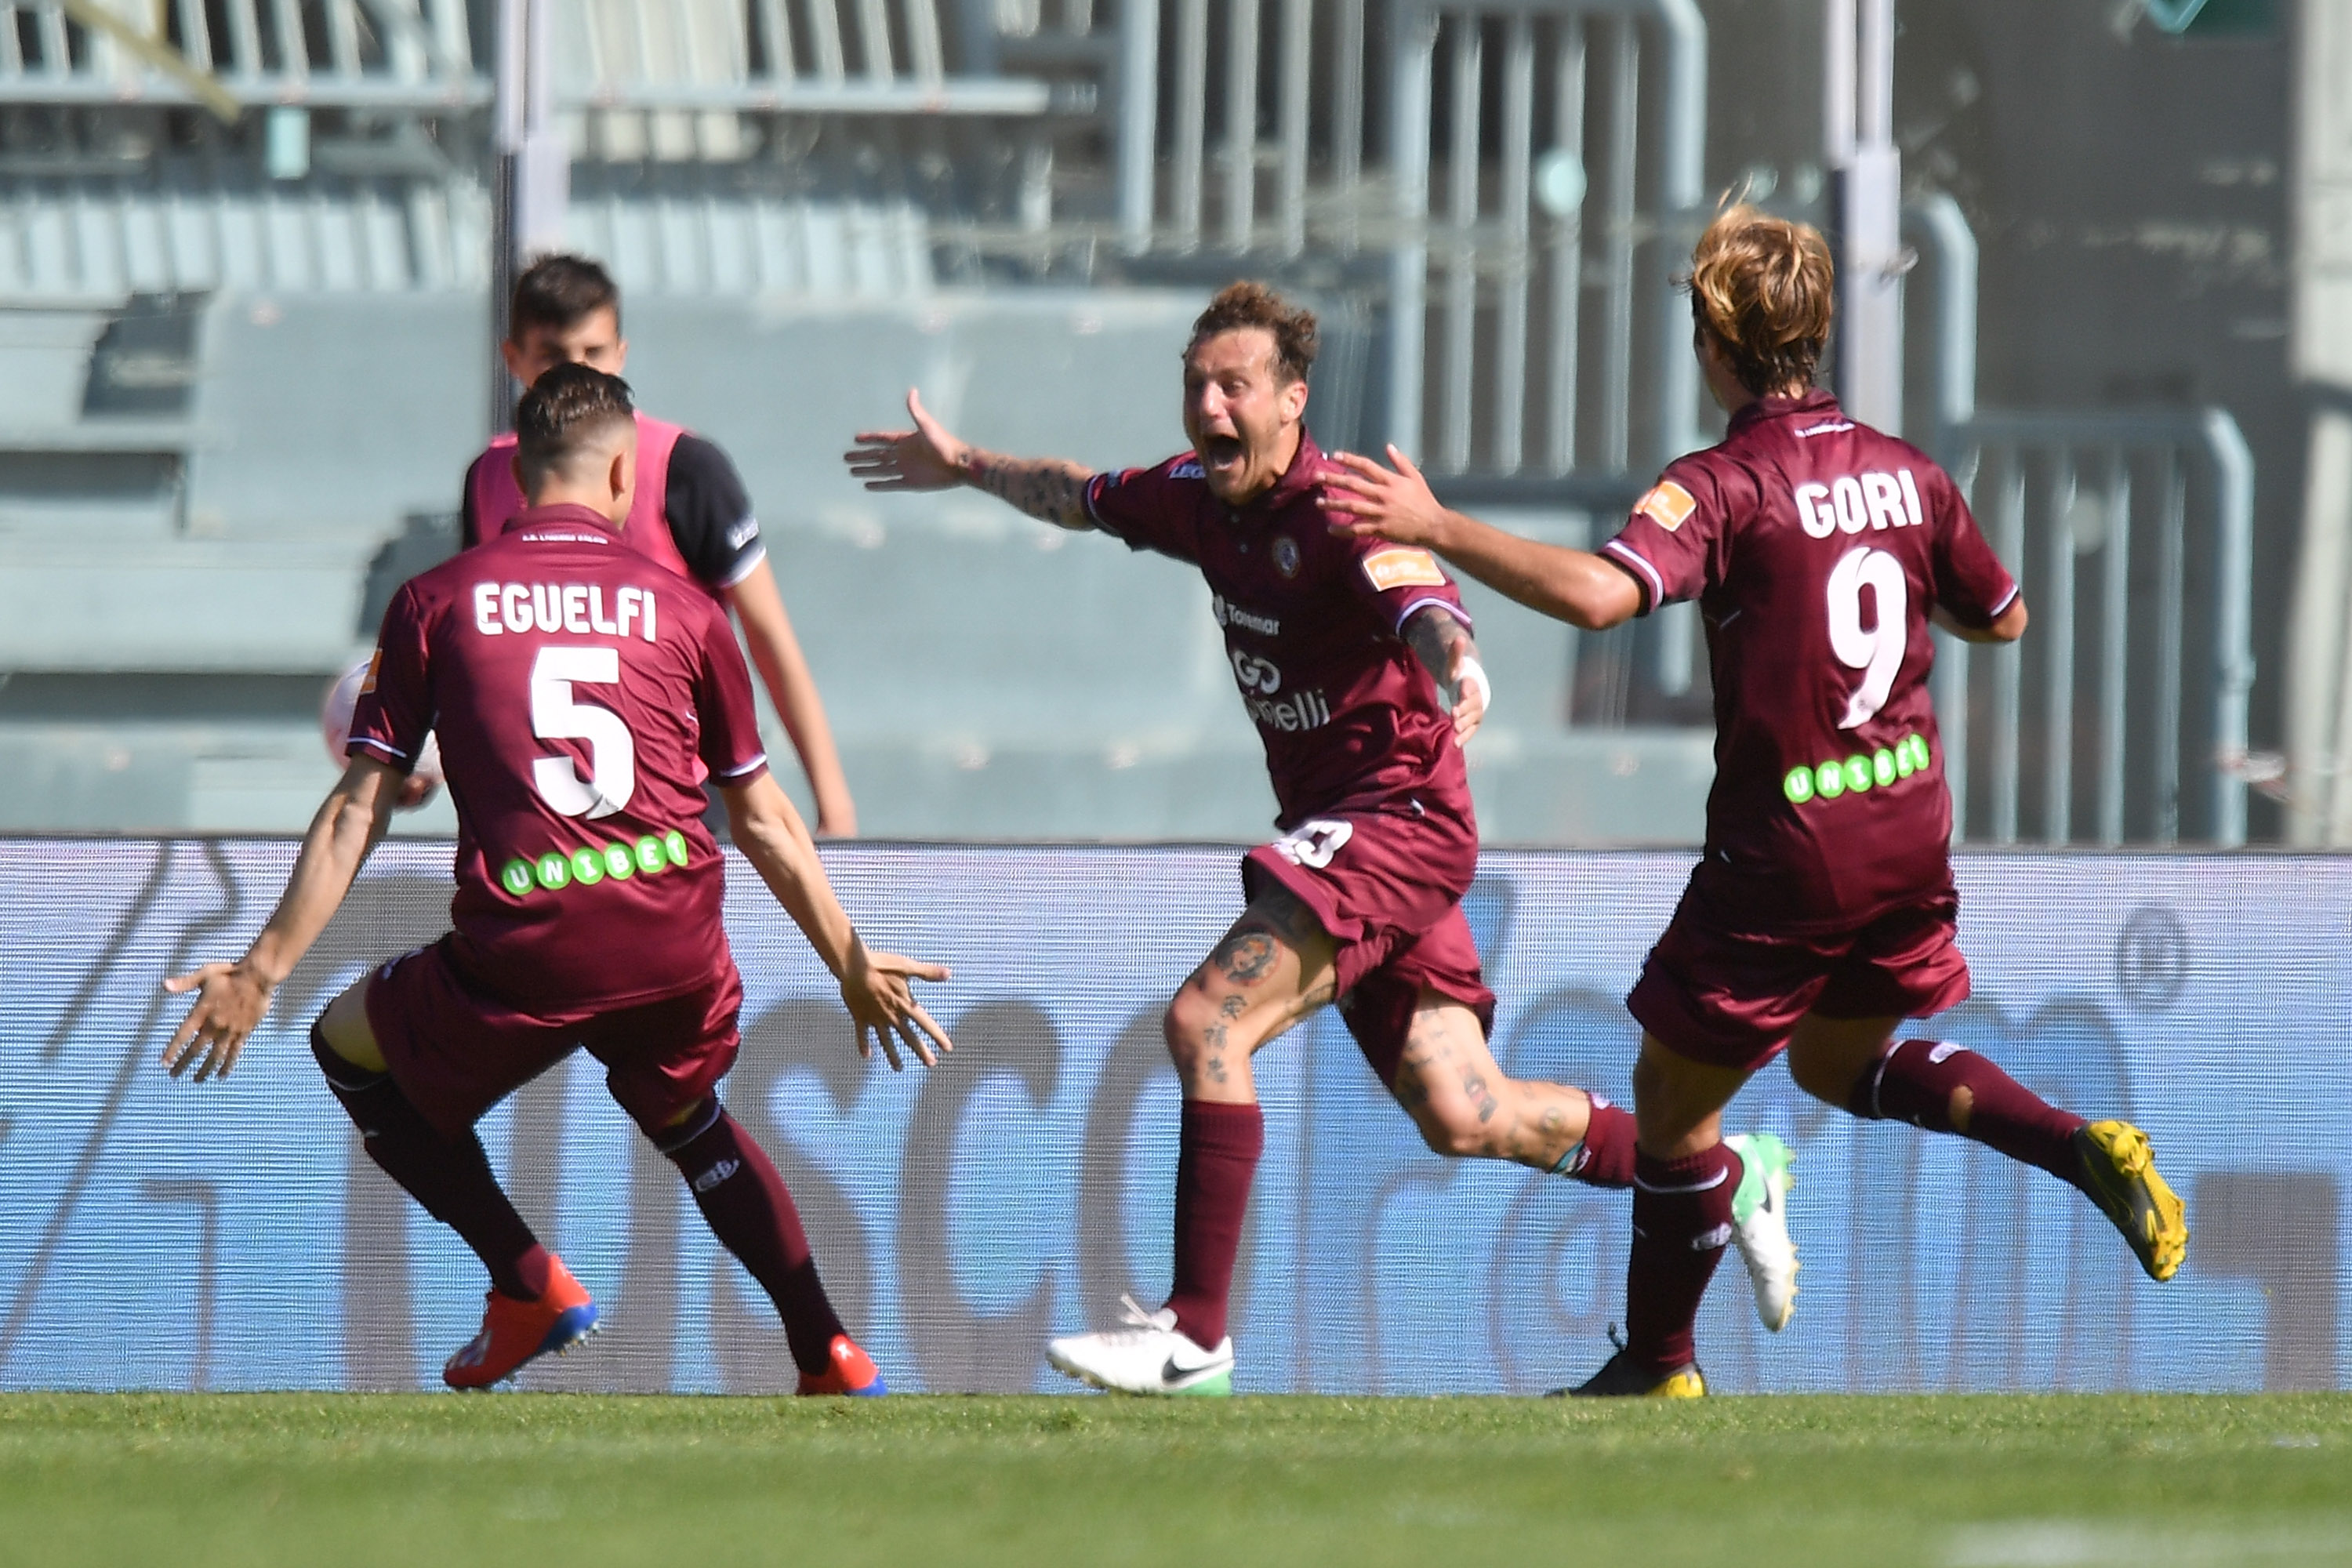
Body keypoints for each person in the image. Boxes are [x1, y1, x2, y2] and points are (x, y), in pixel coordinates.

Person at [844, 281, 1797, 1397]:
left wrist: (1460, 665)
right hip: (1352, 837)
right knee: (1466, 1112)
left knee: (1208, 1020)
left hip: (1398, 821)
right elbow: (1077, 495)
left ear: (1292, 401)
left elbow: (1423, 602)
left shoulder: (1343, 508)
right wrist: (967, 466)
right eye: (1196, 385)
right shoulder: (1195, 496)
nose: (1209, 406)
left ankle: (1194, 1335)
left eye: (1233, 386)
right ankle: (1727, 1178)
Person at [1323, 205, 2188, 1397]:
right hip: (1909, 822)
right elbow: (2006, 616)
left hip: (1795, 843)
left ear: (1715, 339)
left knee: (1672, 1102)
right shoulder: (1908, 473)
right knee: (1840, 1066)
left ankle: (1659, 1367)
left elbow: (1596, 596)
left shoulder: (1724, 486)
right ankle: (2076, 1143)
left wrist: (1437, 528)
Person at [164, 366, 950, 1394]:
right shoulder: (687, 610)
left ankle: (526, 1280)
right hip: (671, 935)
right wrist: (847, 958)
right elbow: (762, 817)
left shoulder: (434, 603)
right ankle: (827, 1350)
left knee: (344, 1046)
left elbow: (361, 805)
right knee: (690, 1116)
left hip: (525, 947)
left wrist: (260, 971)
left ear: (517, 475)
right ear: (627, 473)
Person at [466, 254, 858, 837]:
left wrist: (836, 810)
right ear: (513, 359)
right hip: (543, 811)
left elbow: (768, 639)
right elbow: (478, 654)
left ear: (621, 353)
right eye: (552, 355)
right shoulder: (487, 478)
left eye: (593, 353)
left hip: (682, 803)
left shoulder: (686, 469)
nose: (577, 372)